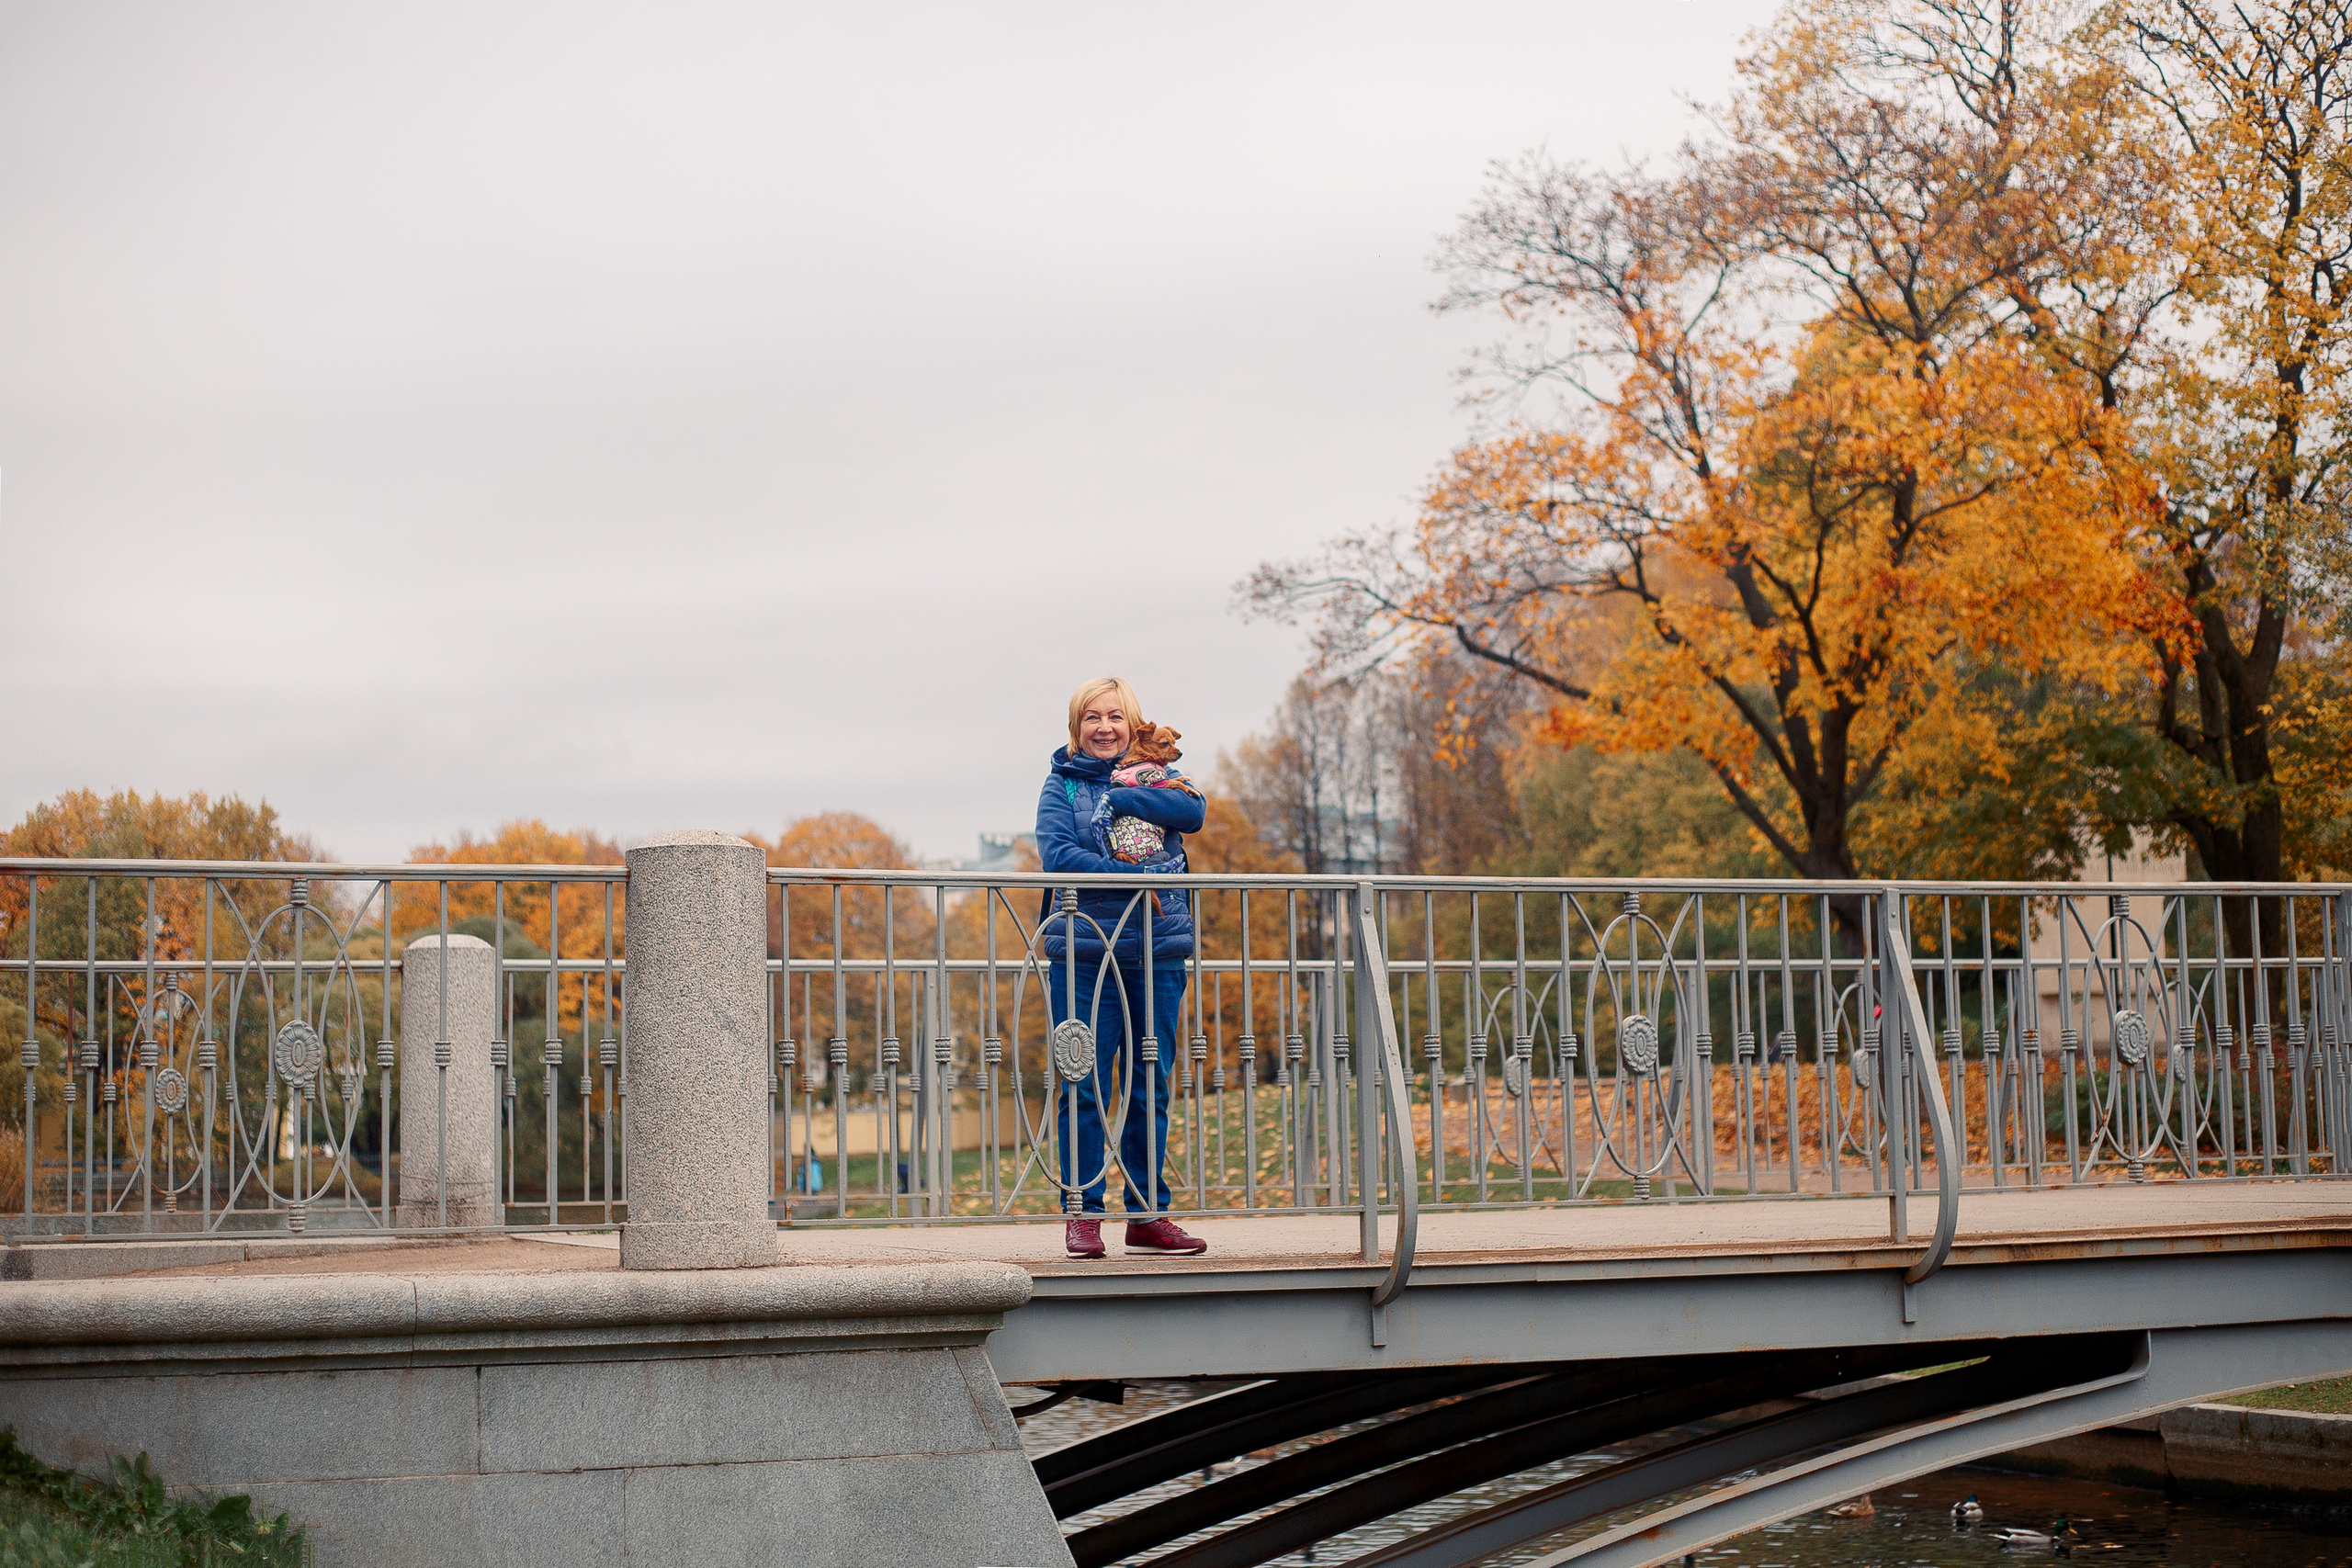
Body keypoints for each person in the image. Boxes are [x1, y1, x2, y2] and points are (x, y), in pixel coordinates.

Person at [1035, 675, 1208, 1259]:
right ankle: (1083, 1213)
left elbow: (1193, 812)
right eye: (1092, 718)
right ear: (1076, 728)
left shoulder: (1157, 779)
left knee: (1149, 1082)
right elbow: (1060, 857)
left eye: (1114, 717)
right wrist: (1139, 877)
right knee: (1082, 1079)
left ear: (1133, 725)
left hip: (1155, 948)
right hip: (1083, 952)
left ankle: (1147, 1215)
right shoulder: (1059, 786)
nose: (1103, 728)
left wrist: (1127, 793)